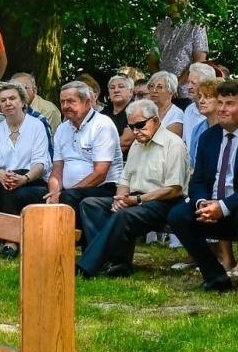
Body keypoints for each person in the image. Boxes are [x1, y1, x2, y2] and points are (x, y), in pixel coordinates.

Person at [167, 79, 238, 291]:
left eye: (229, 104)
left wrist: (224, 206)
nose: (221, 109)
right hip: (212, 207)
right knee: (178, 215)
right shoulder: (208, 137)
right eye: (219, 103)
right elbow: (198, 179)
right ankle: (215, 276)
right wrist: (202, 203)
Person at [77, 98, 190, 278]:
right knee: (90, 204)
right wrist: (120, 198)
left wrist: (136, 200)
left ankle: (88, 265)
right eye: (132, 127)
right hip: (136, 199)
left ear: (155, 120)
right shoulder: (137, 144)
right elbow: (125, 179)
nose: (135, 132)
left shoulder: (173, 144)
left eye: (140, 125)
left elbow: (174, 189)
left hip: (164, 202)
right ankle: (115, 262)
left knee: (123, 215)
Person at [47, 81, 126, 239]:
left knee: (69, 198)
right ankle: (43, 246)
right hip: (69, 191)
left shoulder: (102, 125)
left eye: (71, 101)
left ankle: (70, 245)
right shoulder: (63, 129)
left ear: (87, 102)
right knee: (30, 195)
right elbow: (57, 170)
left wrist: (66, 193)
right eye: (62, 102)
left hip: (105, 187)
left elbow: (100, 173)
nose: (65, 106)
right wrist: (54, 192)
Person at [0, 80, 52, 224]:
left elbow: (40, 162)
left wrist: (23, 179)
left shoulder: (37, 125)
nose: (8, 103)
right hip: (4, 179)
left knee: (8, 191)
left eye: (12, 98)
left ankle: (7, 241)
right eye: (3, 100)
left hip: (32, 181)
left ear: (23, 102)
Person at [152, 0, 208, 76]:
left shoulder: (196, 27)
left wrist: (178, 83)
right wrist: (160, 81)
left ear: (183, 3)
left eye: (172, 2)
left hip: (187, 86)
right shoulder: (160, 28)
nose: (168, 5)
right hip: (163, 85)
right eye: (167, 2)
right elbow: (152, 60)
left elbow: (199, 61)